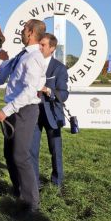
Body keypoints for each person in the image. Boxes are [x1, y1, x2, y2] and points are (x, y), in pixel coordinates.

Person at [0, 19, 46, 214]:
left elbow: (30, 91)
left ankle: (31, 204)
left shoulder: (34, 58)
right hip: (14, 110)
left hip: (24, 110)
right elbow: (4, 67)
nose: (21, 31)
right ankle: (19, 193)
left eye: (24, 28)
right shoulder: (22, 55)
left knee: (20, 156)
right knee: (10, 155)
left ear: (30, 33)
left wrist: (6, 110)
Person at [30, 33, 69, 190]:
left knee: (55, 151)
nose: (40, 47)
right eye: (39, 44)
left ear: (52, 48)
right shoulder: (31, 62)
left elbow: (64, 94)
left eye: (44, 45)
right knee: (32, 150)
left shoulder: (59, 68)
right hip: (32, 111)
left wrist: (48, 90)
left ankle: (57, 183)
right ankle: (34, 183)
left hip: (52, 113)